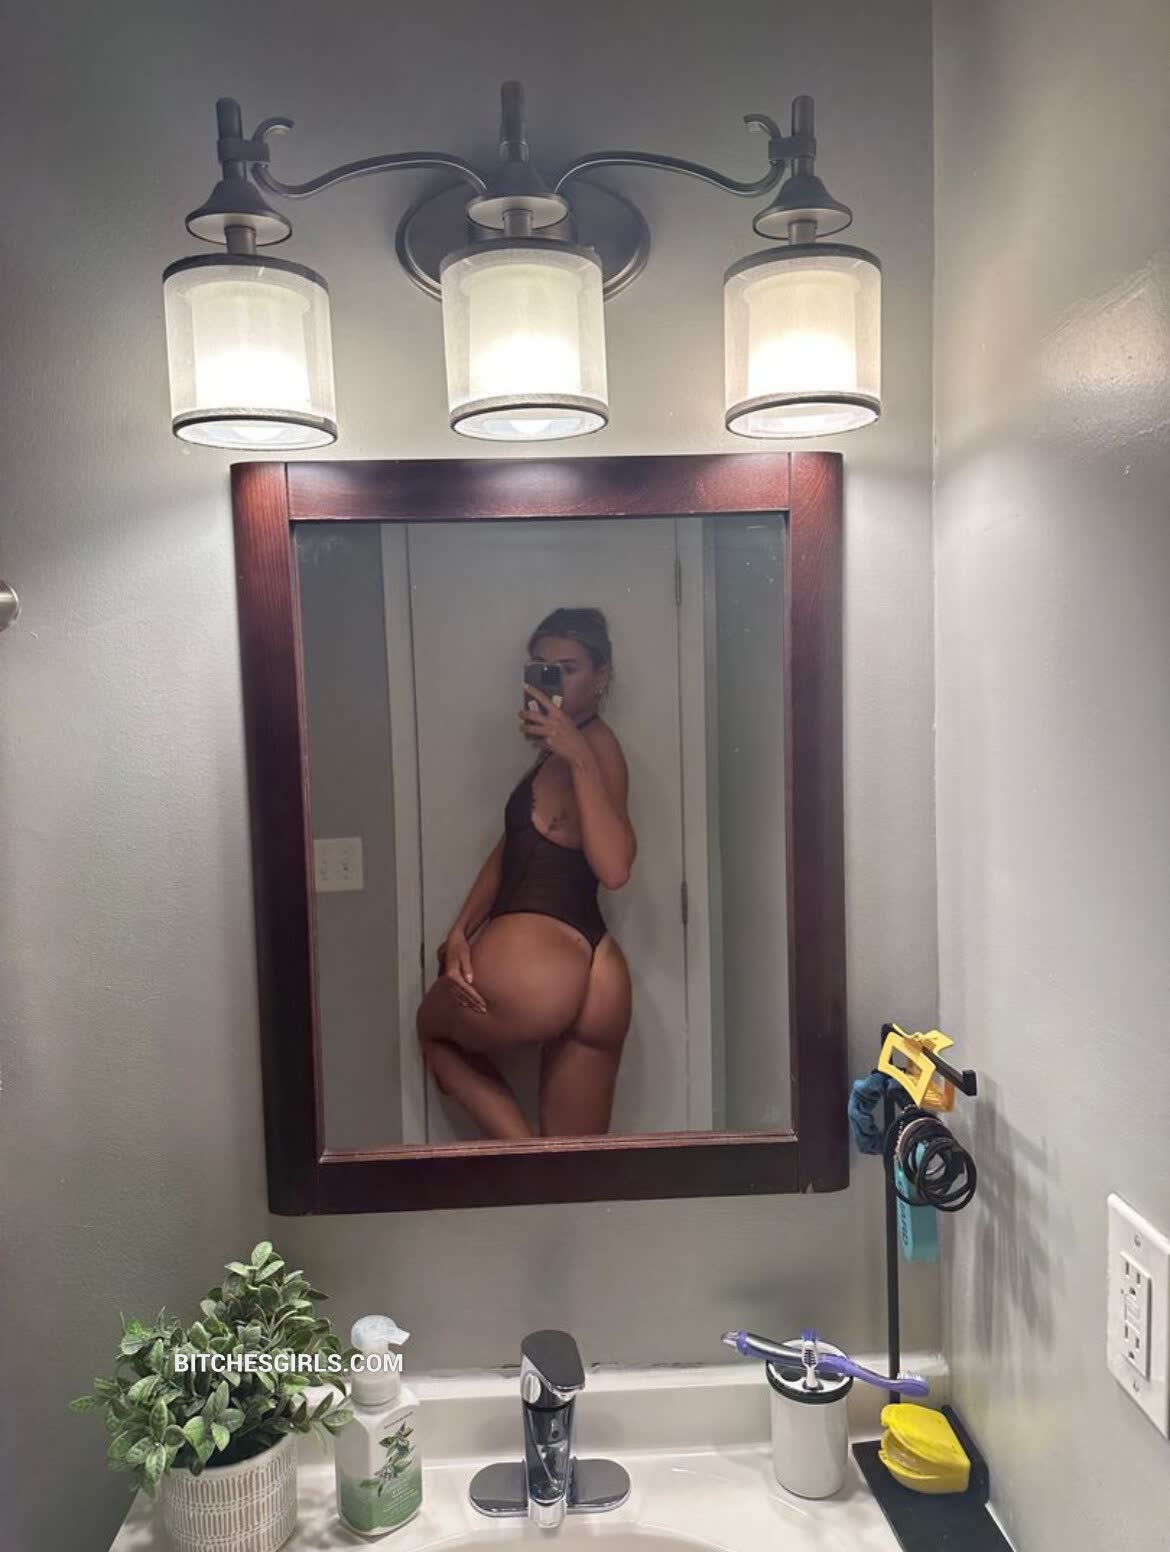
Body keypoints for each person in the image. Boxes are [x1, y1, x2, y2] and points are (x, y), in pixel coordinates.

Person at [416, 607, 635, 1139]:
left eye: (568, 668)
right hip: (600, 972)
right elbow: (517, 847)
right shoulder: (571, 750)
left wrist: (576, 755)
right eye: (541, 667)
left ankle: (524, 1159)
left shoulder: (591, 748)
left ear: (601, 677)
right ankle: (541, 1170)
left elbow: (614, 868)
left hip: (538, 964)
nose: (552, 680)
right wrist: (460, 930)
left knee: (432, 1030)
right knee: (576, 1167)